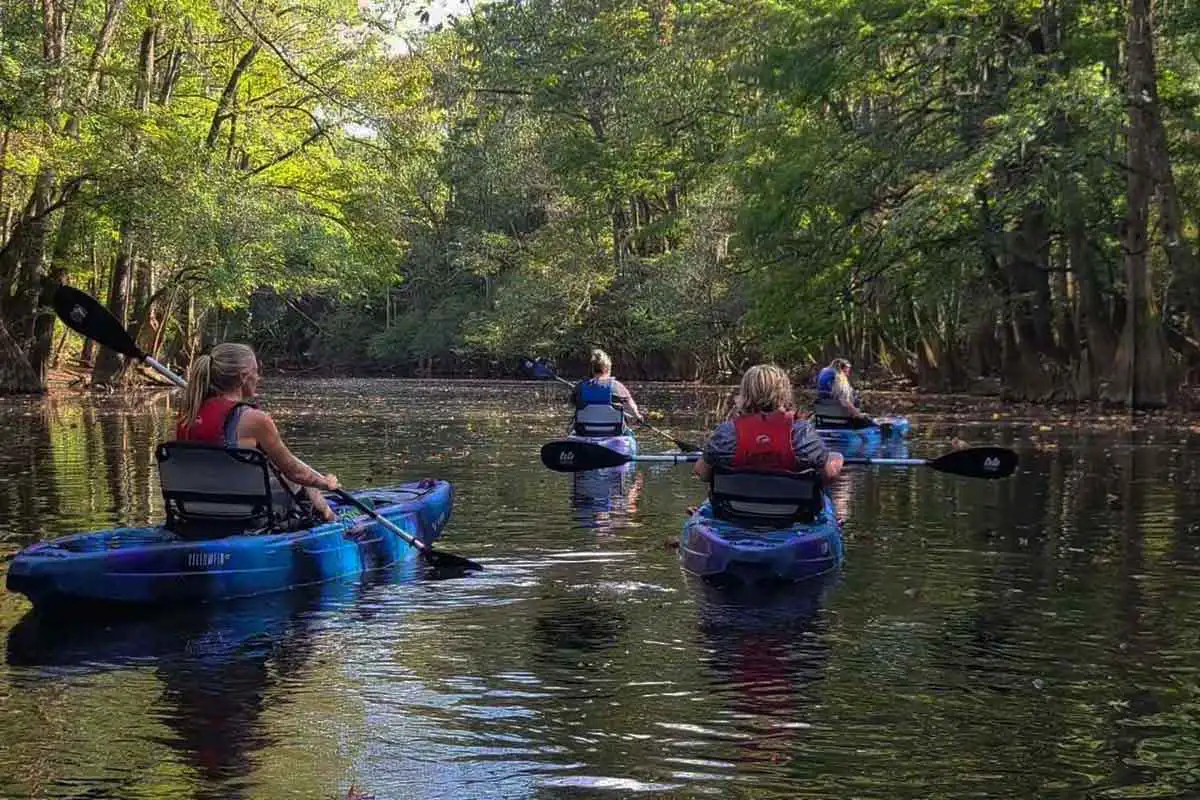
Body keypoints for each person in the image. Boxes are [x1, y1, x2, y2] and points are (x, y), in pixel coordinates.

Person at [176, 343, 340, 522]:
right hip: (244, 515)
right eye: (256, 371)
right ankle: (333, 522)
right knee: (304, 479)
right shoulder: (255, 419)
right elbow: (296, 472)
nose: (258, 377)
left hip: (193, 512)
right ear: (243, 377)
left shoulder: (187, 416)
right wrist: (325, 483)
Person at [695, 363, 843, 484]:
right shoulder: (802, 432)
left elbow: (703, 474)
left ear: (746, 392)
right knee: (835, 456)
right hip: (793, 514)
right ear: (784, 392)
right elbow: (828, 475)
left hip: (733, 512)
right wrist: (837, 459)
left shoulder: (726, 433)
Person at [569, 348, 643, 436]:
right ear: (607, 369)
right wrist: (638, 417)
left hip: (584, 432)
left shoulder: (580, 387)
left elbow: (573, 403)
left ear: (592, 370)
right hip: (613, 433)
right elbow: (632, 408)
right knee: (629, 433)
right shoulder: (618, 387)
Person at [813, 357, 869, 425]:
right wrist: (858, 414)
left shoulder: (824, 370)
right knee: (855, 397)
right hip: (837, 412)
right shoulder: (839, 376)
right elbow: (844, 401)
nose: (848, 375)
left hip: (822, 407)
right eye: (846, 372)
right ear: (841, 369)